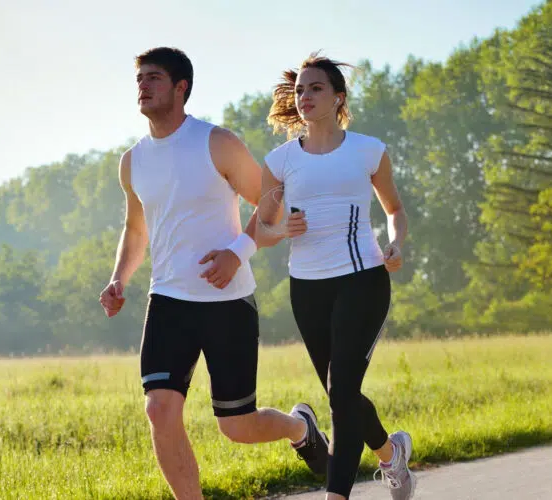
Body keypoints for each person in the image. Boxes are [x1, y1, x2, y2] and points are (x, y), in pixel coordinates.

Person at [98, 47, 328, 500]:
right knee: (159, 410)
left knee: (237, 427)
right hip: (167, 301)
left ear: (181, 88)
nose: (142, 86)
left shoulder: (216, 142)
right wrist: (119, 277)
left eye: (154, 78)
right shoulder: (132, 161)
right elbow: (135, 226)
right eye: (139, 78)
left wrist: (236, 252)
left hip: (227, 303)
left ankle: (299, 426)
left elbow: (272, 200)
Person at [255, 52, 415, 500]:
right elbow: (258, 230)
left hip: (362, 277)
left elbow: (395, 210)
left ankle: (337, 496)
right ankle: (390, 455)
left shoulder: (367, 150)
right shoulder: (280, 161)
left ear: (338, 97)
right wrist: (280, 229)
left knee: (342, 387)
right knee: (338, 392)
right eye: (299, 89)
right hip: (307, 287)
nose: (304, 96)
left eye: (315, 88)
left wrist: (395, 244)